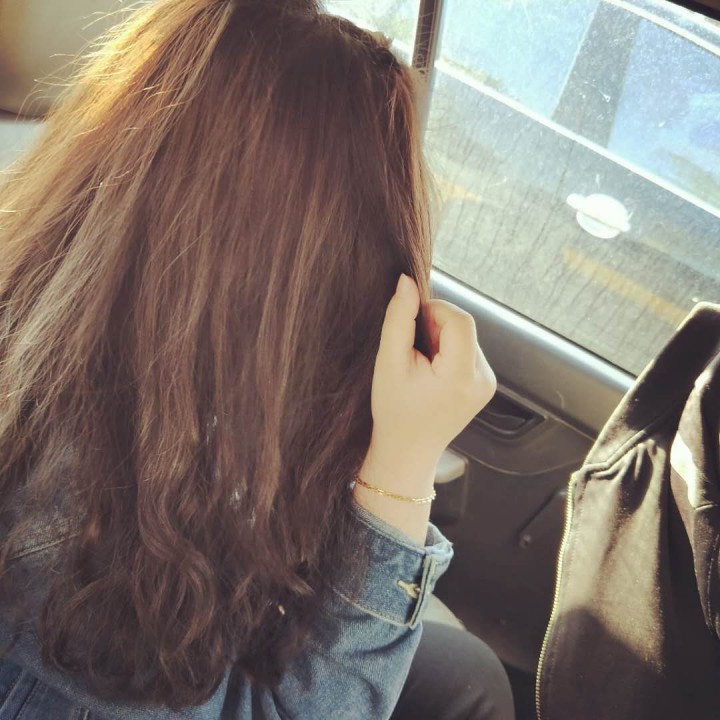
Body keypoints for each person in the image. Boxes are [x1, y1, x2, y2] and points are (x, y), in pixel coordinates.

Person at [0, 0, 514, 717]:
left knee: (467, 677)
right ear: (288, 279)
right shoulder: (60, 520)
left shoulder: (111, 319)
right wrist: (401, 472)